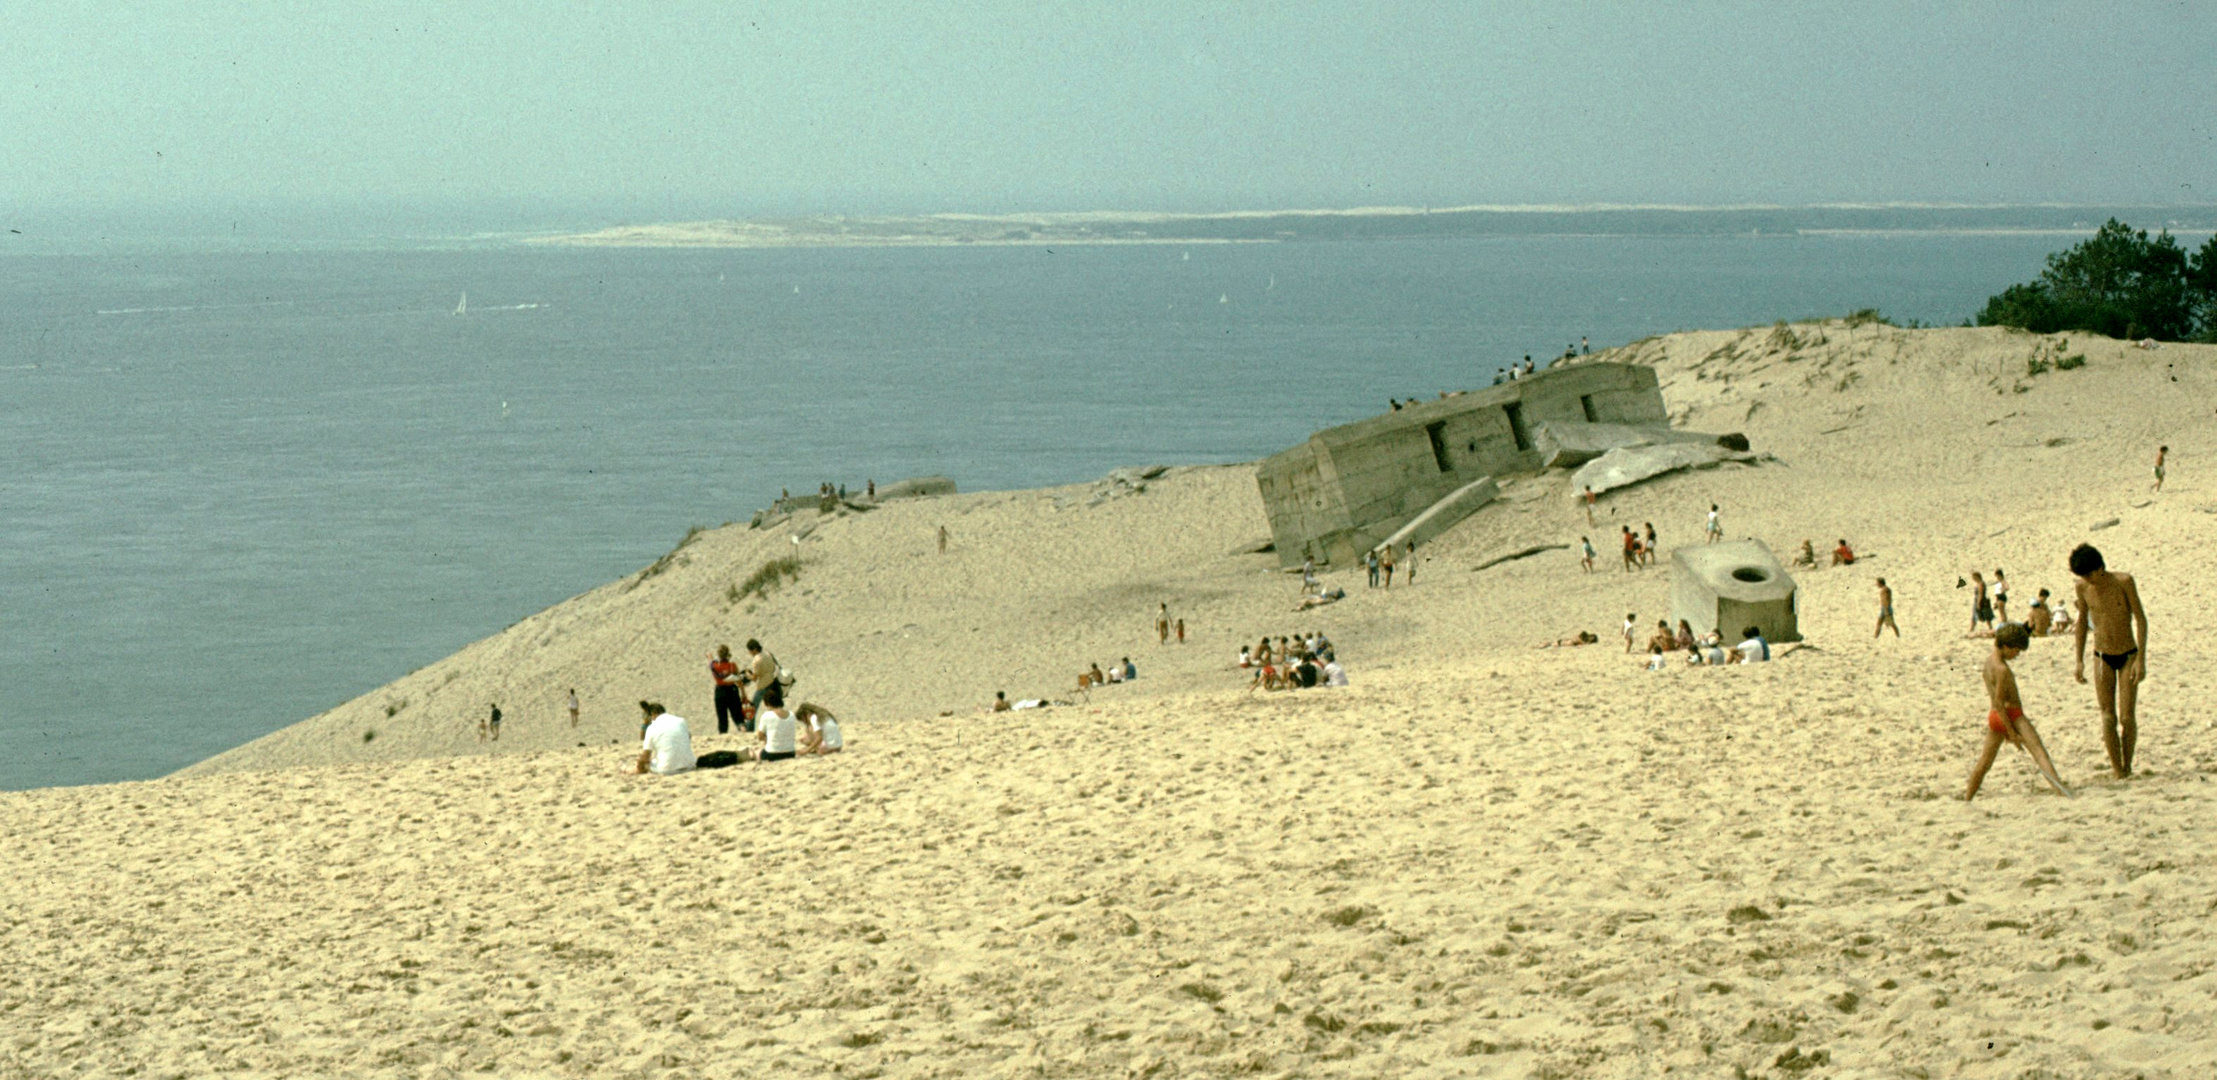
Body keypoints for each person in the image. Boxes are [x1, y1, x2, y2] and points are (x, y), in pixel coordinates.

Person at [1964, 623, 2071, 800]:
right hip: (2012, 715)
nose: (2017, 655)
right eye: (2016, 651)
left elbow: (1995, 704)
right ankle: (2061, 791)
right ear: (2006, 646)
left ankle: (1968, 797)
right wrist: (2012, 733)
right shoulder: (2003, 669)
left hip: (1995, 717)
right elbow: (2000, 702)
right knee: (2039, 753)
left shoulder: (1989, 662)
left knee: (1984, 762)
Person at [2071, 543, 2149, 779]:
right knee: (2107, 715)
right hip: (2101, 655)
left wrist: (2141, 659)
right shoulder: (2082, 588)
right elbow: (2083, 623)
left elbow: (2141, 619)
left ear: (2099, 568)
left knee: (2126, 716)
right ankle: (2118, 771)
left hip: (2127, 655)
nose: (2085, 579)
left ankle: (2128, 765)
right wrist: (2078, 660)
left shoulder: (2124, 582)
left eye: (2087, 574)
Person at [634, 701, 697, 775]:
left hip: (668, 769)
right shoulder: (681, 721)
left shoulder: (652, 728)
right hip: (690, 765)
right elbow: (688, 738)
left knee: (643, 763)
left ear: (652, 715)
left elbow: (645, 757)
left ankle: (629, 771)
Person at [746, 686, 797, 762]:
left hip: (773, 754)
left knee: (755, 752)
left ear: (768, 703)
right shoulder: (791, 715)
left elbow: (760, 736)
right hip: (790, 753)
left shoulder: (767, 715)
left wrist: (766, 739)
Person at [709, 644, 746, 734]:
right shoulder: (732, 666)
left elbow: (710, 662)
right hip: (732, 690)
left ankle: (722, 735)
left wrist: (710, 656)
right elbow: (739, 681)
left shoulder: (715, 666)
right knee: (738, 717)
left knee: (722, 717)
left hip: (720, 691)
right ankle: (744, 731)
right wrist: (743, 694)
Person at [744, 639, 780, 715]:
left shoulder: (756, 660)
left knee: (753, 709)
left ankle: (749, 726)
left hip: (762, 686)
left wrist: (748, 675)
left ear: (753, 650)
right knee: (773, 706)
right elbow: (773, 669)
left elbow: (754, 678)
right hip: (771, 682)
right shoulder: (768, 654)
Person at [1967, 571, 1995, 636]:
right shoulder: (1980, 583)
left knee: (1979, 615)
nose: (1973, 579)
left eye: (1973, 577)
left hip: (1980, 601)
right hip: (1980, 601)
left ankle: (1972, 629)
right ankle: (1972, 628)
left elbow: (1981, 594)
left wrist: (1979, 603)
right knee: (1985, 616)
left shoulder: (1981, 584)